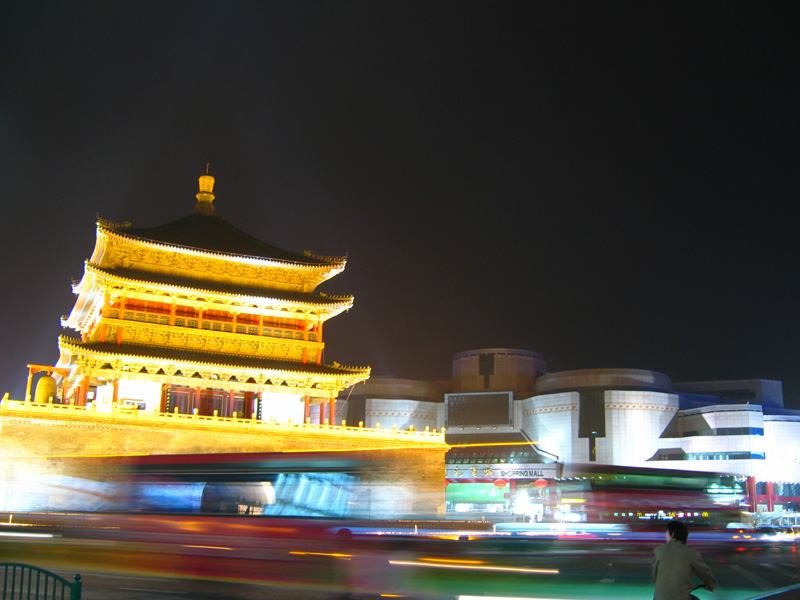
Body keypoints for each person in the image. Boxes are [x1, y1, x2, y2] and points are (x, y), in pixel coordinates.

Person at [652, 520, 716, 600]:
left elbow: (654, 574)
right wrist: (710, 585)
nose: (665, 536)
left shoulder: (659, 550)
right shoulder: (691, 553)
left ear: (672, 534)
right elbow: (704, 572)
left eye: (666, 533)